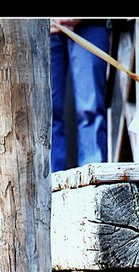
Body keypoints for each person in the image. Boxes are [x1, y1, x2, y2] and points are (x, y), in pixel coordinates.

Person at [50, 18, 110, 171]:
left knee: (90, 107)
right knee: (47, 113)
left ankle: (95, 176)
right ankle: (50, 180)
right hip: (46, 28)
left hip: (89, 24)